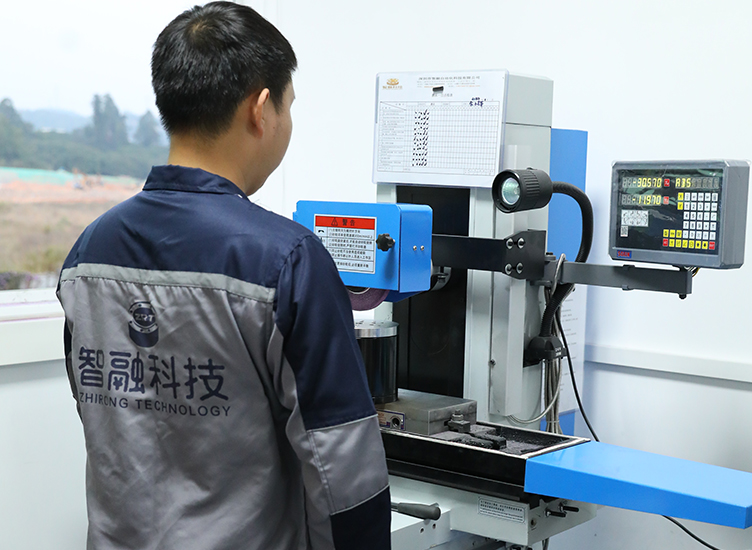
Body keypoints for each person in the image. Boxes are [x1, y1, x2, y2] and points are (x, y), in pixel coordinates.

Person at [56, 3, 391, 549]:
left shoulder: (87, 254)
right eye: (288, 106)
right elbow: (342, 468)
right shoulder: (288, 261)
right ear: (261, 109)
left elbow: (101, 417)